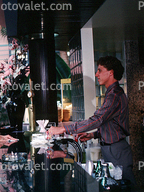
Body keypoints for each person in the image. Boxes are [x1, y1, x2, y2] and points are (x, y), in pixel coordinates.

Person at [49, 56, 135, 184]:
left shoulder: (115, 95)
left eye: (100, 70)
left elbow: (98, 119)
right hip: (112, 149)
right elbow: (113, 125)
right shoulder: (111, 93)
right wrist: (92, 135)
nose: (96, 74)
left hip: (116, 151)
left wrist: (63, 128)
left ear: (110, 73)